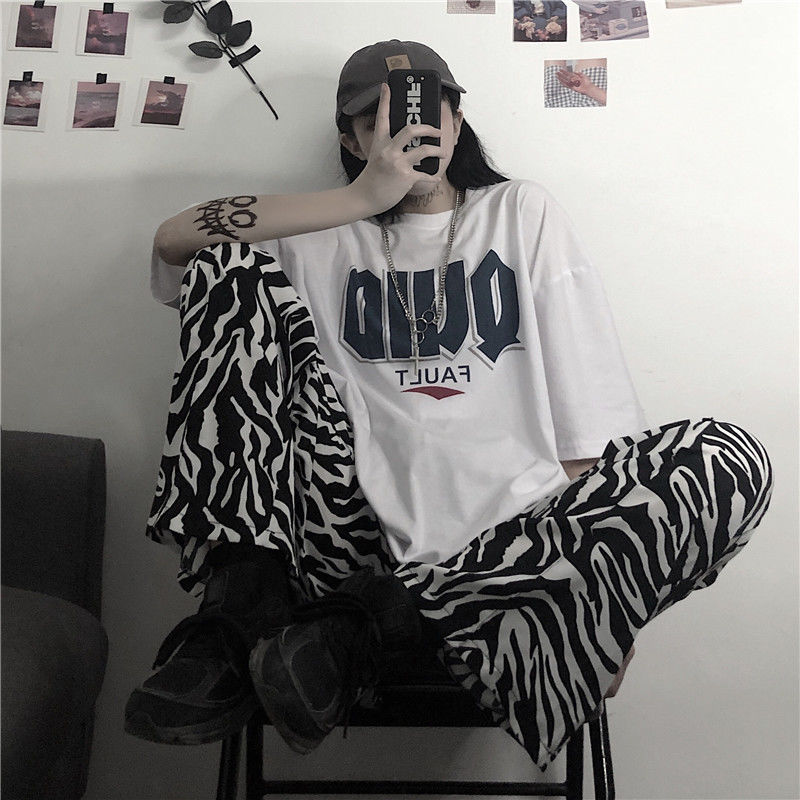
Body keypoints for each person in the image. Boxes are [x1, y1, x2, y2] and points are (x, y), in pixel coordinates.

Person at [125, 39, 774, 772]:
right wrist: (362, 199)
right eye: (379, 121)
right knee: (226, 265)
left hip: (515, 552)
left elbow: (593, 436)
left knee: (727, 459)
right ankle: (241, 611)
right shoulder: (314, 235)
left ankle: (385, 624)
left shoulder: (521, 212)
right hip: (351, 543)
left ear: (458, 124)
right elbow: (175, 241)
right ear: (352, 140)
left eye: (427, 115)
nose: (409, 134)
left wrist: (604, 604)